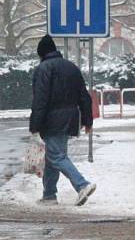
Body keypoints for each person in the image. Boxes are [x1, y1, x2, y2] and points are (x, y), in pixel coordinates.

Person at [29, 35, 97, 206]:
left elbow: (40, 100)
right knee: (53, 157)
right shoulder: (71, 67)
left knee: (57, 157)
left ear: (42, 53)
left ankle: (82, 185)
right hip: (70, 118)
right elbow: (85, 97)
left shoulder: (44, 68)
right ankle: (49, 195)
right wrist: (87, 120)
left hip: (52, 120)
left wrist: (35, 126)